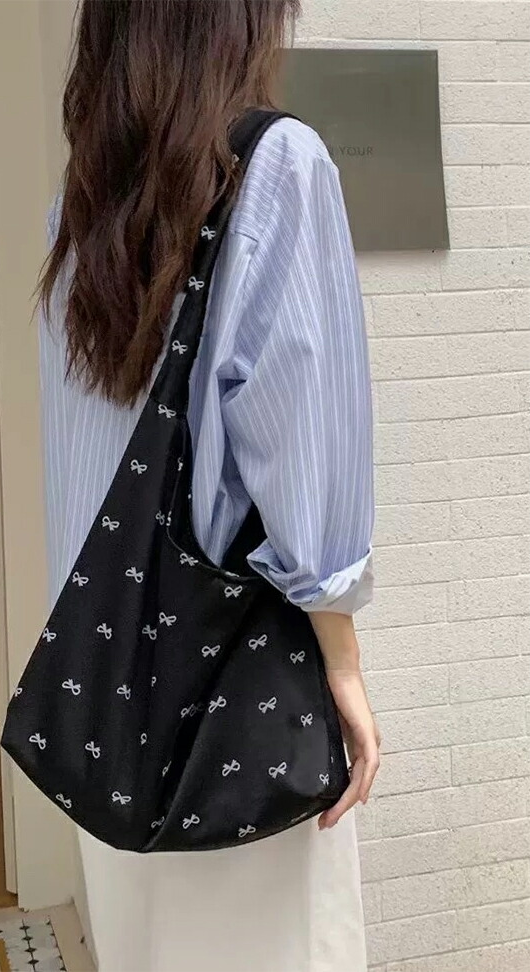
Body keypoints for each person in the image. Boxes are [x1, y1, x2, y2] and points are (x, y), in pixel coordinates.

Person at [38, 2, 380, 969]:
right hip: (230, 680)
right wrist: (342, 665)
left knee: (144, 945)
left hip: (101, 678)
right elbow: (302, 449)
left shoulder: (84, 195)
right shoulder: (275, 164)